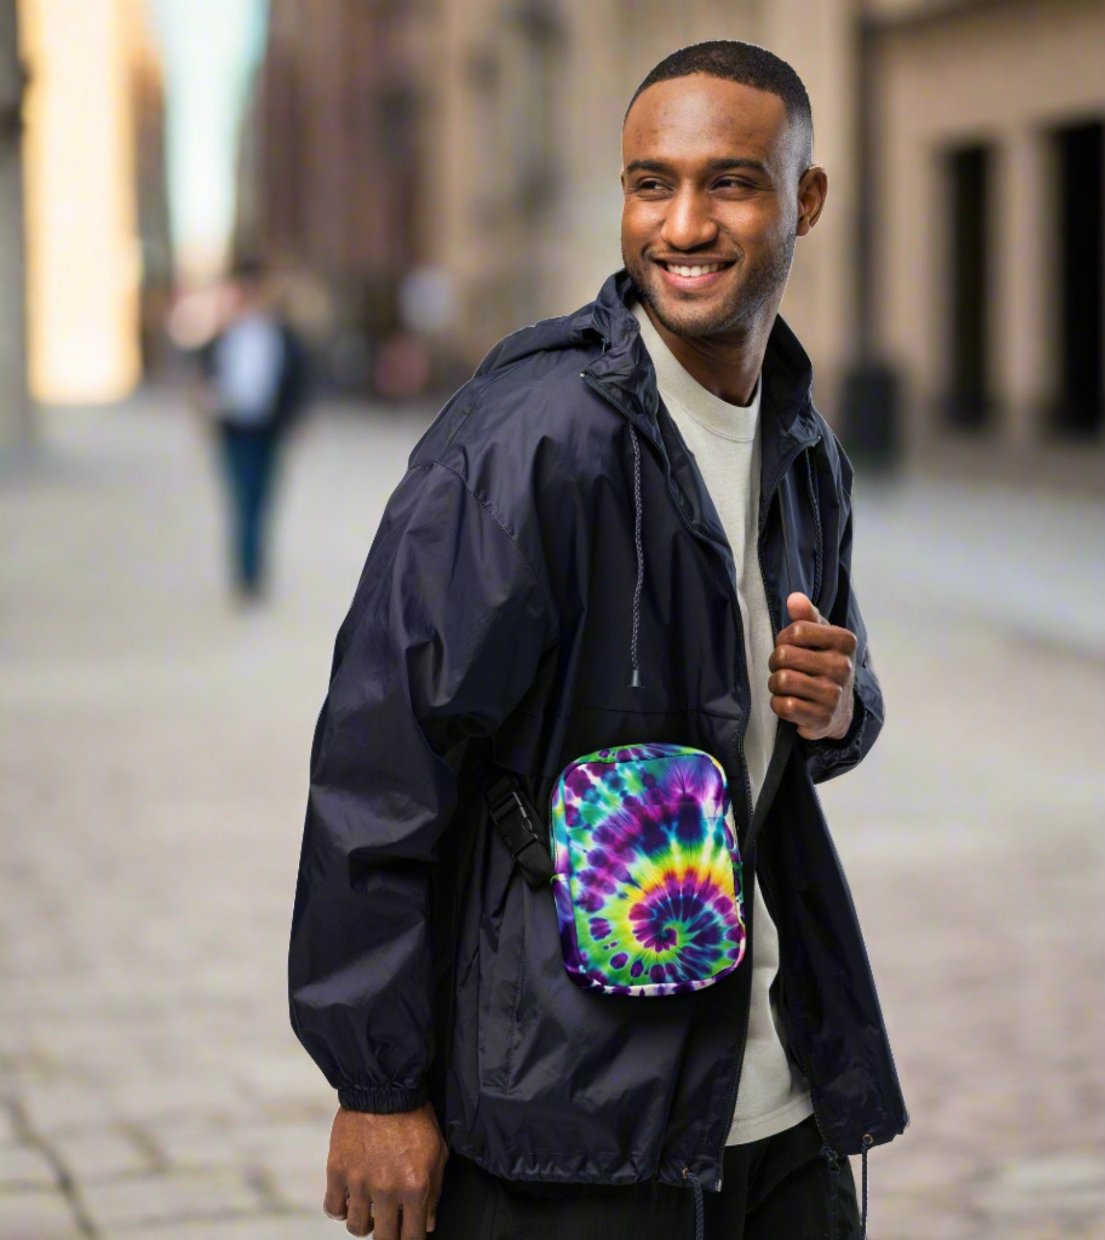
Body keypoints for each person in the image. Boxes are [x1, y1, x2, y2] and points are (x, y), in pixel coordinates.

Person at [289, 41, 906, 1240]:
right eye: (649, 182)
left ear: (805, 199)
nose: (683, 223)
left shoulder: (799, 441)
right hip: (570, 1110)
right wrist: (377, 1086)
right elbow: (382, 761)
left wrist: (840, 706)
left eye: (730, 182)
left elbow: (819, 706)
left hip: (780, 1096)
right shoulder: (531, 439)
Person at [195, 258, 309, 599]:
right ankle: (245, 574)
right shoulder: (224, 335)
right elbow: (204, 376)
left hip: (268, 427)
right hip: (234, 427)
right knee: (241, 498)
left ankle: (255, 570)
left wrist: (296, 418)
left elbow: (299, 379)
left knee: (262, 499)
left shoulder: (281, 335)